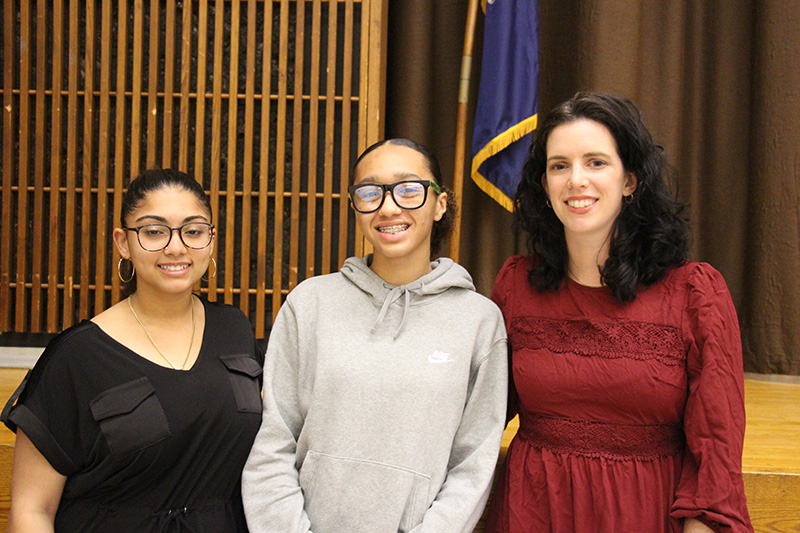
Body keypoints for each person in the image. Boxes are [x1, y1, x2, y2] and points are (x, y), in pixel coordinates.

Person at [485, 92, 752, 532]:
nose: (576, 180)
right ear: (544, 184)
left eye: (595, 162)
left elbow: (716, 450)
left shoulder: (694, 293)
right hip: (532, 513)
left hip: (645, 513)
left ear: (630, 180)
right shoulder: (516, 285)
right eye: (559, 166)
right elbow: (479, 415)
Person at [241, 138, 508, 532]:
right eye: (370, 192)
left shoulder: (479, 321)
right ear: (356, 206)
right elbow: (273, 442)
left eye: (408, 189)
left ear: (440, 204)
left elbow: (473, 464)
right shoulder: (310, 303)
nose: (388, 206)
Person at [2, 169, 263, 532]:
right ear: (123, 242)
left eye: (193, 230)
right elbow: (32, 509)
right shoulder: (77, 356)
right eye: (154, 231)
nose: (176, 247)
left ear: (211, 239)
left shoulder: (234, 329)